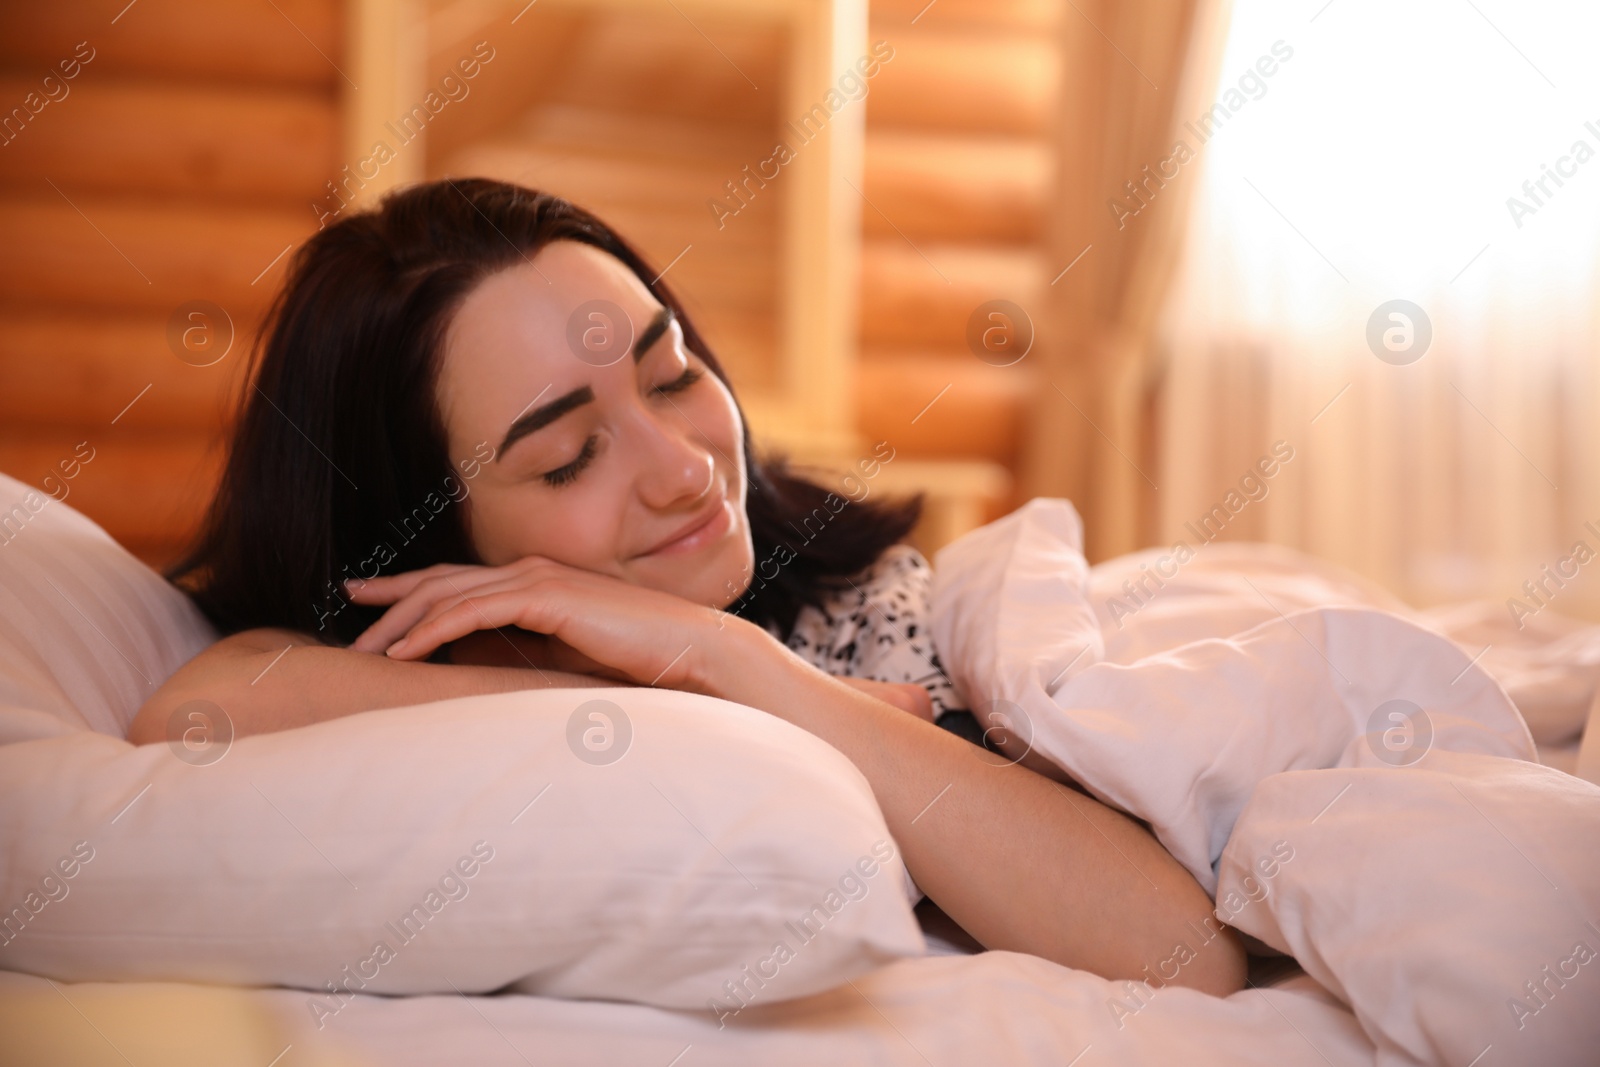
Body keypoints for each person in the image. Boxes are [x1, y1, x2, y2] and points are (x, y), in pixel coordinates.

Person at [126, 179, 1246, 996]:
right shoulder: (413, 662)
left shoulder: (848, 600)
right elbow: (199, 707)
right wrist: (635, 686)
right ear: (417, 535)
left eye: (672, 375)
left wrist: (737, 660)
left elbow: (1180, 949)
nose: (684, 468)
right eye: (568, 456)